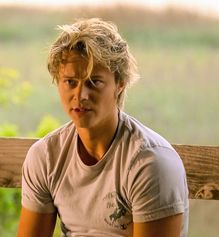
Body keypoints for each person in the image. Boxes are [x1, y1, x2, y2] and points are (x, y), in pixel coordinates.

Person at [17, 18, 189, 237]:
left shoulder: (149, 162)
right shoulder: (45, 157)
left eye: (94, 81)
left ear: (120, 83)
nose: (81, 95)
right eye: (70, 82)